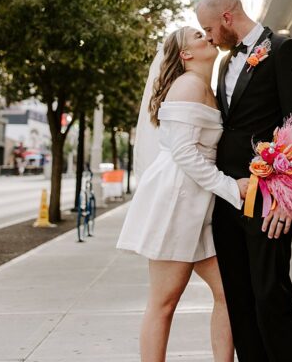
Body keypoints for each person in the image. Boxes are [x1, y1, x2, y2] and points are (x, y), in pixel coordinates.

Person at [195, 0, 292, 362]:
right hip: (228, 197)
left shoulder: (283, 49)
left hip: (268, 197)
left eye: (209, 28)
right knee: (240, 299)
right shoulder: (225, 65)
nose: (209, 37)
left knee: (270, 296)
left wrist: (288, 197)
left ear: (227, 17)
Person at [117, 26, 250, 362]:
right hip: (176, 201)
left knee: (229, 292)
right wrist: (230, 187)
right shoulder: (188, 85)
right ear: (185, 55)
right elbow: (184, 154)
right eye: (196, 36)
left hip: (199, 204)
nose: (206, 36)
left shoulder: (205, 86)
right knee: (164, 302)